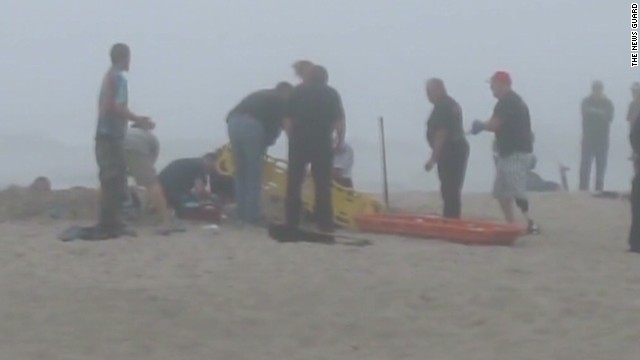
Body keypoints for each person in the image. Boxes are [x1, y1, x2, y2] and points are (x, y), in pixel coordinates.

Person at [93, 43, 152, 239]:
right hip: (111, 136)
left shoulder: (108, 76)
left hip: (103, 134)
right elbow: (117, 107)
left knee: (109, 179)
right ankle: (112, 224)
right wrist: (138, 120)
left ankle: (108, 221)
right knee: (115, 180)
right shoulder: (118, 79)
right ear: (124, 58)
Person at [470, 71, 539, 234]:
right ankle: (511, 224)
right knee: (501, 192)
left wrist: (480, 126)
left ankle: (531, 223)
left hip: (515, 154)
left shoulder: (507, 101)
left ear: (502, 84)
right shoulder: (515, 101)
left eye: (493, 84)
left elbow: (495, 124)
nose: (491, 88)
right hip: (508, 153)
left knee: (517, 190)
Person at [284, 65, 346, 233]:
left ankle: (292, 222)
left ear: (308, 77)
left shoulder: (296, 92)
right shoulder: (331, 94)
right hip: (322, 141)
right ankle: (325, 223)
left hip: (299, 140)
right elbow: (339, 121)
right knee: (322, 184)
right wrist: (339, 141)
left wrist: (291, 138)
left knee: (294, 182)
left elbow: (288, 120)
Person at [226, 82, 294, 225]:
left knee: (240, 172)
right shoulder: (281, 101)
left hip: (233, 122)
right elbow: (282, 126)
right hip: (252, 126)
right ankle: (252, 216)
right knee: (254, 174)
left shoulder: (261, 94)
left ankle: (241, 213)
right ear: (287, 92)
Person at [123, 122, 184, 234]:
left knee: (109, 182)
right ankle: (166, 221)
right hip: (136, 147)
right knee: (152, 183)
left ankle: (105, 219)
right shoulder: (150, 137)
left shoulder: (126, 131)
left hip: (116, 142)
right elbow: (150, 163)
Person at [423, 78, 469, 219]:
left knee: (449, 188)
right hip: (458, 148)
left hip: (451, 150)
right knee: (452, 187)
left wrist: (433, 158)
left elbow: (441, 134)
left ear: (439, 89)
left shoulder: (443, 106)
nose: (428, 96)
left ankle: (451, 218)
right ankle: (452, 217)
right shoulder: (451, 104)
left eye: (429, 92)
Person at [158, 153, 218, 218]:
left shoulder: (191, 163)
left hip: (159, 185)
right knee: (194, 205)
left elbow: (196, 190)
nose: (214, 169)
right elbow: (200, 190)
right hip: (171, 189)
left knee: (191, 198)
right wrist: (213, 198)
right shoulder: (200, 166)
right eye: (214, 166)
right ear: (208, 159)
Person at [579, 80, 614, 192]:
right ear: (592, 90)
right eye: (595, 89)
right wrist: (600, 113)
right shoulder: (586, 101)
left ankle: (599, 189)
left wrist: (594, 112)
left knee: (601, 166)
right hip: (588, 139)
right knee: (585, 165)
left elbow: (609, 116)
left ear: (602, 90)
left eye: (599, 89)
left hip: (602, 140)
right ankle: (583, 189)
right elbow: (585, 111)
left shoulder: (608, 103)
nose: (597, 91)